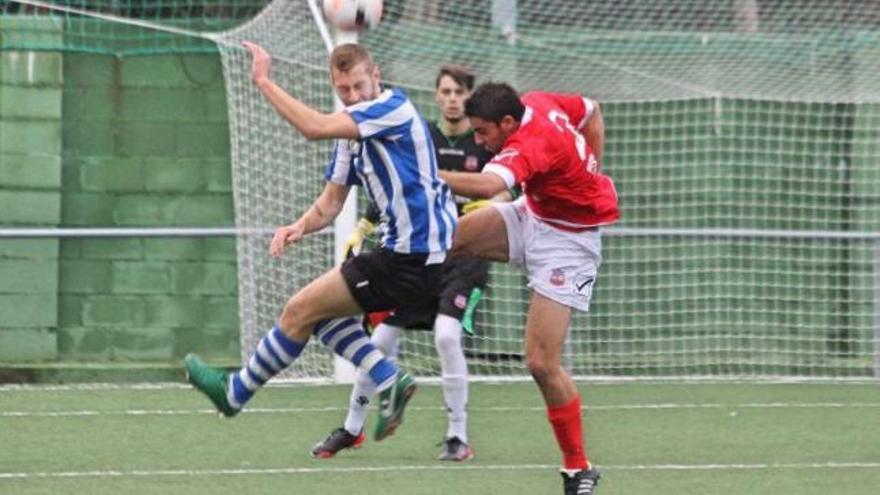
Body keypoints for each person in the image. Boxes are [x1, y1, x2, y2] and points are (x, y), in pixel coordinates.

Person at [184, 41, 459, 443]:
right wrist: (297, 226)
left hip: (415, 258)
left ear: (376, 77)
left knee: (299, 309)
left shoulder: (391, 109)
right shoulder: (351, 134)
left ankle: (236, 393)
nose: (352, 96)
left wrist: (262, 80)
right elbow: (331, 203)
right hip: (401, 256)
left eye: (359, 86)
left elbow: (312, 126)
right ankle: (387, 378)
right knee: (316, 315)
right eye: (343, 90)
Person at [311, 65, 504, 462]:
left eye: (459, 92)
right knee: (379, 340)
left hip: (463, 258)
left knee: (447, 336)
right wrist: (362, 226)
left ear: (468, 98)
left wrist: (489, 204)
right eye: (445, 91)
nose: (452, 98)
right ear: (436, 95)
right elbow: (392, 185)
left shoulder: (483, 142)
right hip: (420, 254)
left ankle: (457, 436)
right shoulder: (419, 133)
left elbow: (505, 191)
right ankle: (351, 428)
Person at [438, 82, 618, 495]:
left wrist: (424, 173)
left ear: (507, 122)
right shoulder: (536, 101)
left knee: (541, 363)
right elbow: (592, 110)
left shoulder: (530, 143)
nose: (479, 140)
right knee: (442, 242)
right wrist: (592, 164)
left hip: (569, 245)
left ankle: (578, 468)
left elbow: (486, 187)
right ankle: (377, 313)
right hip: (532, 215)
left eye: (483, 132)